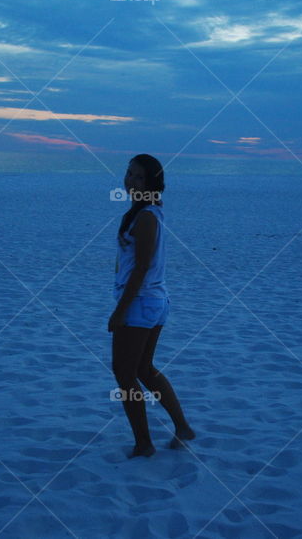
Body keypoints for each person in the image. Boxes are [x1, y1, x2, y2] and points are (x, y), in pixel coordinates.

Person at [108, 154, 195, 458]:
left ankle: (144, 444)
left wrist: (120, 311)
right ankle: (182, 427)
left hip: (141, 303)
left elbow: (141, 267)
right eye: (129, 173)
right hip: (154, 301)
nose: (130, 180)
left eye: (138, 177)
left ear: (152, 183)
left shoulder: (146, 215)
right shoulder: (146, 210)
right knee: (143, 368)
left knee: (124, 373)